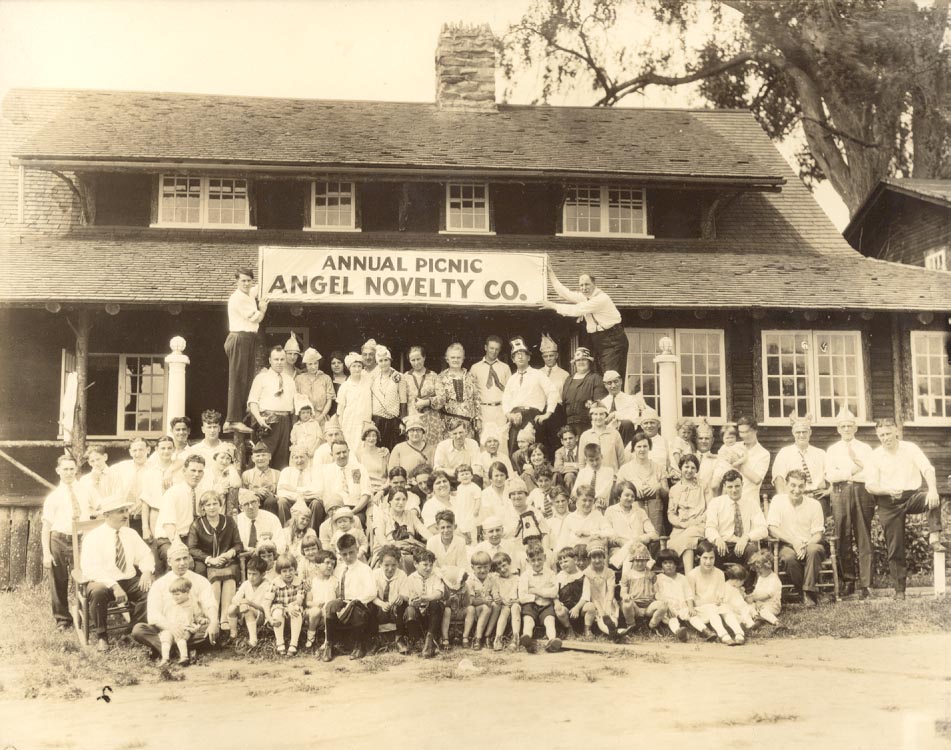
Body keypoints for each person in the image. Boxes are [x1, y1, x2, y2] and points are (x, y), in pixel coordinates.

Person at [865, 417, 944, 600]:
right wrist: (886, 490)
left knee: (932, 498)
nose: (886, 438)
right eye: (881, 435)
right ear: (878, 436)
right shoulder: (875, 456)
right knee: (895, 547)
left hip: (911, 496)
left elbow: (927, 469)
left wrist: (932, 489)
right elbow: (870, 485)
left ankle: (934, 536)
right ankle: (899, 590)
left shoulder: (910, 448)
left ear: (896, 431)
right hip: (888, 502)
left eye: (888, 433)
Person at [79, 494, 154, 651]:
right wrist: (114, 586)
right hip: (103, 581)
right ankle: (102, 636)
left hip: (128, 579)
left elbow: (145, 555)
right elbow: (91, 568)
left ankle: (131, 632)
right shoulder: (93, 537)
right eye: (120, 511)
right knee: (98, 592)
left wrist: (147, 571)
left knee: (151, 590)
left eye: (126, 510)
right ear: (107, 515)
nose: (125, 515)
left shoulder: (130, 534)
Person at [131, 540, 220, 657]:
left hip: (190, 629)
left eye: (185, 558)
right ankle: (182, 649)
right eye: (178, 560)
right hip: (166, 628)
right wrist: (171, 627)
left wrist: (214, 622)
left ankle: (167, 649)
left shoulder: (200, 580)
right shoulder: (159, 584)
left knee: (213, 628)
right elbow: (153, 615)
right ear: (169, 562)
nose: (182, 563)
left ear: (189, 558)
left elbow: (210, 604)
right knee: (138, 630)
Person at [824, 405, 876, 598]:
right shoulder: (832, 450)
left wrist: (847, 473)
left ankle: (866, 584)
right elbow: (830, 475)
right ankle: (848, 581)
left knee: (864, 536)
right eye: (843, 426)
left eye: (849, 425)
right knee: (843, 536)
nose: (846, 429)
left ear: (855, 427)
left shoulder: (865, 448)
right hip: (840, 492)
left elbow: (869, 472)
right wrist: (851, 471)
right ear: (838, 429)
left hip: (862, 492)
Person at [543, 269, 628, 376]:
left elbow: (576, 310)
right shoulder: (586, 298)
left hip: (612, 341)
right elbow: (565, 293)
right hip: (599, 339)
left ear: (594, 284)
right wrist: (551, 274)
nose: (584, 288)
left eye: (587, 284)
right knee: (599, 376)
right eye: (581, 285)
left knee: (611, 376)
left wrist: (552, 305)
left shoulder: (601, 299)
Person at [766, 470, 826, 606]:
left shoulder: (814, 505)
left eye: (801, 486)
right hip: (787, 544)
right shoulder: (778, 501)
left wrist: (804, 545)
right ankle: (808, 593)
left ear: (805, 487)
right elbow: (772, 528)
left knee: (814, 550)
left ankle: (807, 593)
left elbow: (818, 533)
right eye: (793, 485)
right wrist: (794, 542)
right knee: (788, 558)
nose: (797, 490)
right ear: (786, 485)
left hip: (809, 543)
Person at [187, 491, 243, 633]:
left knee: (230, 577)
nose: (212, 507)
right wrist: (210, 559)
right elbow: (192, 548)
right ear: (203, 507)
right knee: (215, 580)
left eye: (215, 503)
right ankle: (214, 619)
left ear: (220, 505)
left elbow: (238, 544)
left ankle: (225, 618)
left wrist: (230, 553)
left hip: (227, 561)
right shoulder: (197, 525)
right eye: (208, 505)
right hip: (207, 562)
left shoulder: (229, 522)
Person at [224, 266, 267, 434]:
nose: (246, 284)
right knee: (238, 379)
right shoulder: (238, 298)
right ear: (237, 281)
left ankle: (237, 417)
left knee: (246, 378)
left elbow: (260, 288)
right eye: (243, 281)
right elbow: (256, 318)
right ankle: (232, 420)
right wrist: (262, 309)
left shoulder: (248, 293)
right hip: (240, 338)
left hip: (247, 339)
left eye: (249, 280)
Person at [321, 532, 376, 661]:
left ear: (357, 549)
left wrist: (353, 603)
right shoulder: (339, 569)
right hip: (343, 601)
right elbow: (333, 585)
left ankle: (359, 645)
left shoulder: (364, 569)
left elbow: (372, 592)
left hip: (360, 604)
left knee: (355, 609)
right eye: (344, 554)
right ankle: (329, 644)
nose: (348, 557)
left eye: (351, 552)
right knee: (330, 606)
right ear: (339, 554)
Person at [502, 336, 558, 456]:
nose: (520, 357)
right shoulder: (512, 379)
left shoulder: (538, 374)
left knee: (534, 452)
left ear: (529, 357)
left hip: (533, 417)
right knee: (515, 452)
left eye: (523, 354)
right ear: (513, 360)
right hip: (515, 419)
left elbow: (553, 392)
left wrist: (547, 413)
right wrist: (509, 415)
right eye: (516, 355)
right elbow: (505, 400)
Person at [247, 346, 297, 470]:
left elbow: (294, 404)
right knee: (262, 456)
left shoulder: (290, 380)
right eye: (276, 359)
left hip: (285, 422)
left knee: (282, 459)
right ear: (270, 360)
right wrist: (259, 419)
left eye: (282, 359)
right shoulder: (261, 378)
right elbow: (253, 402)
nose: (279, 362)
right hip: (267, 421)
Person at [154, 455, 206, 573]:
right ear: (184, 471)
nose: (196, 474)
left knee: (201, 568)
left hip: (191, 540)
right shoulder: (173, 493)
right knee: (178, 562)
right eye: (193, 470)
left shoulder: (202, 492)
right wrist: (179, 548)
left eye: (200, 471)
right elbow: (169, 526)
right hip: (169, 539)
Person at [704, 470, 767, 565]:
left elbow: (763, 529)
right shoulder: (716, 503)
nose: (734, 490)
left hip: (743, 544)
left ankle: (747, 576)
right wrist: (717, 538)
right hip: (723, 543)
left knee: (752, 551)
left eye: (737, 486)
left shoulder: (751, 503)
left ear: (742, 485)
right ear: (724, 487)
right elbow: (710, 527)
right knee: (712, 551)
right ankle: (718, 575)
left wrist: (746, 537)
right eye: (730, 487)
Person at [771, 416, 829, 512]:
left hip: (817, 498)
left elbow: (831, 474)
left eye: (804, 432)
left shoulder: (820, 453)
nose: (801, 435)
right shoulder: (784, 453)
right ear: (793, 433)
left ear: (810, 433)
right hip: (794, 497)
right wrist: (783, 500)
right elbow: (778, 478)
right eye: (798, 432)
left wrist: (828, 490)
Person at [111, 437, 163, 540]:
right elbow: (104, 471)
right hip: (125, 518)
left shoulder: (155, 469)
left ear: (148, 450)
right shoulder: (121, 467)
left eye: (141, 450)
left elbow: (153, 495)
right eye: (134, 450)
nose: (137, 453)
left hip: (146, 519)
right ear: (130, 452)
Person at [617, 430, 669, 534]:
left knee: (654, 537)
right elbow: (617, 491)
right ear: (633, 448)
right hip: (632, 512)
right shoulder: (625, 469)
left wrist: (658, 487)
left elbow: (667, 494)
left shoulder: (659, 468)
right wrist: (632, 489)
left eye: (645, 446)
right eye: (638, 446)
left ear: (649, 447)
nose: (642, 449)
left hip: (655, 512)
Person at [667, 454, 710, 572]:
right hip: (680, 527)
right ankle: (689, 576)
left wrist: (697, 520)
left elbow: (710, 509)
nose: (689, 470)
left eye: (693, 467)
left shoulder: (703, 485)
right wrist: (681, 523)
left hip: (699, 525)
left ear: (696, 470)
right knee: (682, 542)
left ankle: (689, 575)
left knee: (686, 540)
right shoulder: (674, 489)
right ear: (681, 468)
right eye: (686, 467)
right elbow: (671, 514)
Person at [687, 540, 735, 645]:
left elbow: (721, 594)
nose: (708, 562)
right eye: (705, 558)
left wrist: (719, 600)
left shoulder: (720, 573)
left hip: (715, 605)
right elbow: (690, 595)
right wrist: (692, 607)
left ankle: (739, 633)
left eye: (711, 558)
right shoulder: (692, 574)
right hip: (700, 607)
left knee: (727, 611)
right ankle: (724, 635)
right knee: (712, 612)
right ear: (698, 558)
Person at [517, 543, 561, 653]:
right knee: (528, 620)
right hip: (530, 604)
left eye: (539, 559)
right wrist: (537, 596)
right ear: (528, 561)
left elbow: (554, 592)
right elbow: (522, 597)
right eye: (533, 560)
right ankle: (527, 638)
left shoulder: (551, 574)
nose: (536, 563)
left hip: (546, 604)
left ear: (544, 558)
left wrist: (536, 591)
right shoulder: (525, 576)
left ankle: (552, 640)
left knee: (549, 620)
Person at [605, 480, 658, 569]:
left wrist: (639, 539)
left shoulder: (640, 512)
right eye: (627, 495)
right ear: (619, 496)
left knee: (631, 556)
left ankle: (625, 578)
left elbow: (653, 534)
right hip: (618, 550)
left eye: (632, 496)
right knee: (630, 557)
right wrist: (620, 541)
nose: (630, 498)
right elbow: (608, 533)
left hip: (639, 549)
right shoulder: (610, 511)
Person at [315, 440, 372, 523]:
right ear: (332, 455)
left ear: (348, 451)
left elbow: (366, 494)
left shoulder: (359, 468)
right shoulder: (326, 471)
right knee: (328, 525)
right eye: (338, 453)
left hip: (356, 509)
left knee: (355, 522)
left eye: (344, 452)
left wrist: (352, 512)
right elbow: (324, 496)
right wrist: (336, 513)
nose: (342, 455)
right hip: (335, 510)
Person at [434, 342, 482, 440]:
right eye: (453, 357)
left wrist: (478, 419)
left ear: (463, 359)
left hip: (467, 425)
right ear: (447, 359)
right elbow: (439, 401)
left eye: (458, 357)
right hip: (448, 425)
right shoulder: (441, 377)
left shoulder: (470, 376)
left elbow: (476, 399)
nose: (455, 360)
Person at [469, 335, 511, 441]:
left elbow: (510, 392)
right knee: (485, 442)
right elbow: (472, 394)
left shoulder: (505, 368)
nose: (494, 351)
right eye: (491, 348)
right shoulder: (475, 368)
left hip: (501, 411)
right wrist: (477, 417)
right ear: (485, 347)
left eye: (497, 349)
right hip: (484, 411)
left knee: (502, 442)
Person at [652, 548, 700, 641]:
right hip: (668, 608)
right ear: (661, 565)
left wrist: (691, 607)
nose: (668, 565)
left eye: (671, 562)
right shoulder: (658, 579)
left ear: (676, 564)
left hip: (682, 607)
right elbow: (657, 596)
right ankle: (679, 632)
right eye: (665, 563)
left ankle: (705, 631)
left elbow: (688, 595)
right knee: (671, 619)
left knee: (692, 616)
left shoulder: (682, 578)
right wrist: (666, 607)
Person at [227, 553, 274, 647]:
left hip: (261, 615)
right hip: (245, 611)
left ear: (263, 574)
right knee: (231, 608)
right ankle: (233, 634)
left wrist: (249, 603)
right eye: (249, 573)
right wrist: (241, 602)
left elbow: (265, 607)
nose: (251, 577)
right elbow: (235, 599)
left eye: (254, 574)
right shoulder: (246, 584)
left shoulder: (268, 585)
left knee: (247, 609)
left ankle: (253, 640)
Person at [158, 577, 208, 665]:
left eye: (177, 594)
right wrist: (168, 625)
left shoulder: (192, 604)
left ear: (187, 593)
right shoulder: (170, 604)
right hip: (172, 628)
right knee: (165, 638)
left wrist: (201, 620)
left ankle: (184, 657)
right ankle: (165, 658)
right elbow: (164, 617)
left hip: (185, 628)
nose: (175, 597)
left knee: (180, 637)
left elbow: (197, 616)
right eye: (173, 595)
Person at [370, 545, 409, 653]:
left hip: (394, 608)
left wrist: (401, 596)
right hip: (379, 605)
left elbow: (406, 595)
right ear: (380, 563)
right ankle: (375, 639)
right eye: (386, 565)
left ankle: (399, 638)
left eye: (394, 565)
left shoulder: (402, 575)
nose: (390, 568)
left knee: (402, 603)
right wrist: (381, 603)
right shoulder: (375, 574)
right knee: (369, 605)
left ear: (398, 563)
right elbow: (371, 595)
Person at [562, 347, 607, 438]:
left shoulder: (596, 378)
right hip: (569, 424)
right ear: (575, 363)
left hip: (587, 424)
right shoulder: (569, 379)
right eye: (578, 360)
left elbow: (599, 404)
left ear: (589, 362)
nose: (581, 362)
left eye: (584, 360)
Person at [402, 345, 444, 443]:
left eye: (418, 359)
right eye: (413, 360)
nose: (416, 362)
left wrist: (427, 402)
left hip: (431, 421)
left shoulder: (433, 376)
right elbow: (402, 401)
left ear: (424, 358)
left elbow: (442, 399)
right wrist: (403, 421)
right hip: (413, 422)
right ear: (409, 360)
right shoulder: (405, 377)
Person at [269, 554, 306, 656]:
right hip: (279, 608)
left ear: (295, 569)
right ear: (279, 572)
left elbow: (299, 600)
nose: (288, 574)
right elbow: (268, 602)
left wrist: (290, 606)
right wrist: (270, 618)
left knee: (296, 611)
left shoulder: (299, 582)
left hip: (293, 607)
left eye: (291, 570)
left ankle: (294, 643)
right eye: (284, 571)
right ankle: (280, 642)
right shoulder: (275, 583)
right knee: (277, 613)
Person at [336, 352, 373, 455]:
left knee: (363, 450)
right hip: (349, 424)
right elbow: (340, 410)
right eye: (354, 366)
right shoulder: (345, 386)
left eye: (359, 366)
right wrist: (341, 428)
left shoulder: (368, 383)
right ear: (349, 368)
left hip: (364, 423)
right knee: (350, 449)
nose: (357, 369)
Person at [369, 345, 404, 451]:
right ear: (377, 362)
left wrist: (402, 421)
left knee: (393, 450)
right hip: (377, 420)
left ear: (390, 360)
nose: (383, 363)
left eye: (386, 360)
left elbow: (403, 401)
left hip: (393, 420)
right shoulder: (373, 377)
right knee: (378, 450)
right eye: (381, 361)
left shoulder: (398, 376)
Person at [583, 538, 620, 638]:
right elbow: (593, 595)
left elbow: (611, 589)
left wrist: (608, 604)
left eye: (600, 557)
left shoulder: (609, 572)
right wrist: (601, 610)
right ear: (589, 559)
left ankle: (613, 631)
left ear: (604, 557)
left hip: (607, 598)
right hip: (594, 601)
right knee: (600, 616)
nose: (597, 560)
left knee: (612, 614)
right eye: (594, 557)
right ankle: (613, 633)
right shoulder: (587, 573)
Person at [276, 445, 320, 528]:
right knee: (282, 502)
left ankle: (312, 531)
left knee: (316, 503)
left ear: (308, 458)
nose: (299, 460)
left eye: (302, 457)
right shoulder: (286, 471)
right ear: (292, 459)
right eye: (296, 457)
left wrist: (294, 489)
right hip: (291, 501)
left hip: (309, 501)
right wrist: (298, 496)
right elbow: (281, 492)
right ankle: (287, 530)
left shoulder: (315, 471)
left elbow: (317, 490)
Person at [733, 417, 771, 511]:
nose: (743, 435)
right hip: (730, 500)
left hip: (750, 502)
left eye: (747, 432)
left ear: (755, 430)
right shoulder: (734, 447)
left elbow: (756, 479)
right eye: (741, 432)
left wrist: (736, 463)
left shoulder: (763, 454)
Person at [619, 543, 658, 631]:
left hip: (649, 605)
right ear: (632, 561)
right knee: (626, 604)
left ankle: (652, 625)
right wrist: (625, 595)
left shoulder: (651, 574)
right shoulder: (627, 575)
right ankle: (631, 625)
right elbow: (623, 591)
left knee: (662, 605)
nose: (640, 563)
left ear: (646, 561)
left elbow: (656, 590)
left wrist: (658, 596)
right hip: (634, 604)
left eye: (643, 561)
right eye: (637, 561)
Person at [464, 551, 499, 650]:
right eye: (479, 567)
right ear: (472, 567)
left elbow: (495, 592)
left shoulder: (491, 579)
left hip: (487, 606)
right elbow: (471, 601)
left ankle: (488, 635)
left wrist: (496, 597)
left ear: (490, 566)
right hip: (475, 610)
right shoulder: (470, 581)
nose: (483, 570)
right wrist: (484, 600)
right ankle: (477, 637)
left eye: (486, 567)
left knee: (496, 605)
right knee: (486, 608)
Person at [601, 370, 645, 448]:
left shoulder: (630, 399)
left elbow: (634, 417)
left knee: (626, 423)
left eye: (616, 382)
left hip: (627, 437)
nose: (613, 386)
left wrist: (615, 414)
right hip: (608, 437)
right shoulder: (603, 402)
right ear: (605, 385)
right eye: (609, 383)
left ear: (621, 381)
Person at [235, 489, 287, 555]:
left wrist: (266, 548)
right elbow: (232, 546)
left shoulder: (272, 518)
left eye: (253, 502)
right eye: (246, 504)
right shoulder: (236, 521)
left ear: (258, 502)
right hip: (242, 557)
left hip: (266, 556)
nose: (251, 507)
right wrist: (247, 549)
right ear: (241, 508)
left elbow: (281, 544)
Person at [553, 545, 592, 635]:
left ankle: (587, 629)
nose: (563, 564)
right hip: (566, 610)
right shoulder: (559, 577)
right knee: (559, 610)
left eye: (566, 561)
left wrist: (577, 608)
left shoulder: (583, 577)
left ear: (574, 560)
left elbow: (585, 596)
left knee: (590, 606)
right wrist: (556, 602)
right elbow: (554, 593)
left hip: (579, 609)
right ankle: (568, 629)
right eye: (561, 563)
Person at [433, 418, 484, 484]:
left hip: (469, 479)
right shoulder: (442, 446)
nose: (458, 436)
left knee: (477, 479)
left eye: (461, 432)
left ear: (466, 432)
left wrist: (464, 476)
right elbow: (437, 469)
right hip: (450, 480)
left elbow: (477, 467)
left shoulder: (473, 444)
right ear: (450, 435)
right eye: (455, 433)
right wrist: (457, 473)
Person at [578, 400, 624, 471]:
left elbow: (622, 460)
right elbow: (581, 463)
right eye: (595, 414)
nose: (598, 417)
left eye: (601, 414)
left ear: (606, 416)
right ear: (591, 416)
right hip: (591, 476)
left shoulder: (615, 434)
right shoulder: (585, 435)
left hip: (611, 475)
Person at [295, 347, 334, 427]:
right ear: (305, 365)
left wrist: (321, 417)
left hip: (322, 419)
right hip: (304, 419)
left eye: (315, 363)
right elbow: (296, 400)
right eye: (310, 364)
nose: (313, 367)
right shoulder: (299, 379)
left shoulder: (326, 378)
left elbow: (329, 400)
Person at [492, 551, 521, 651]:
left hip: (515, 603)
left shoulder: (517, 578)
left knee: (515, 608)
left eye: (504, 565)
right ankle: (498, 638)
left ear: (509, 563)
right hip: (504, 605)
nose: (502, 569)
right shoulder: (496, 580)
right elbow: (495, 592)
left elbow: (522, 593)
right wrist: (499, 599)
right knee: (505, 611)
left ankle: (515, 637)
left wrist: (517, 600)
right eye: (499, 568)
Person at [572, 444, 616, 511]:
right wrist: (585, 497)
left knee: (599, 505)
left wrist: (589, 497)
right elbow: (575, 490)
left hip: (600, 501)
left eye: (597, 459)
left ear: (601, 456)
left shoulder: (609, 471)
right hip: (585, 501)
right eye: (591, 460)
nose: (595, 463)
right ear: (586, 460)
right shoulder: (583, 472)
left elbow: (604, 491)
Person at [746, 550, 783, 626]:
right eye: (756, 569)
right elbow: (756, 591)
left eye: (759, 568)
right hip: (760, 602)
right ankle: (757, 618)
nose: (757, 571)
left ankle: (776, 622)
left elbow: (767, 595)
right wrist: (750, 596)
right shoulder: (761, 577)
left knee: (764, 611)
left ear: (768, 566)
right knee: (749, 606)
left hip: (772, 605)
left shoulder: (773, 579)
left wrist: (754, 598)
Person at [242, 441, 281, 511]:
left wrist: (273, 496)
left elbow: (282, 493)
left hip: (272, 507)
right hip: (253, 507)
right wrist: (255, 492)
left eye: (263, 455)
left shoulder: (278, 474)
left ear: (270, 457)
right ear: (253, 458)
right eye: (257, 456)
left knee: (271, 501)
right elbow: (242, 494)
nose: (261, 458)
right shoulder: (247, 474)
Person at [78, 444, 115, 511]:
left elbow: (117, 498)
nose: (96, 463)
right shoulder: (84, 480)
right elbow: (85, 501)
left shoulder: (115, 474)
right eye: (92, 461)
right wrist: (94, 481)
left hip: (113, 512)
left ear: (105, 457)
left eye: (98, 459)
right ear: (89, 462)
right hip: (94, 514)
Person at [451, 465, 482, 544]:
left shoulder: (474, 487)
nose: (465, 476)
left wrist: (477, 508)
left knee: (472, 526)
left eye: (467, 474)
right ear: (458, 478)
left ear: (471, 476)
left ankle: (474, 542)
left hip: (471, 509)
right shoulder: (459, 487)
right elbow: (459, 495)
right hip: (462, 510)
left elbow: (478, 498)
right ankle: (465, 540)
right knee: (462, 525)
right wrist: (454, 493)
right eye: (462, 474)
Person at [357, 422, 390, 493]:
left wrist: (383, 488)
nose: (371, 439)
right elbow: (356, 477)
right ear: (364, 437)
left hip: (382, 489)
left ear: (377, 437)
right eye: (368, 436)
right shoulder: (358, 454)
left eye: (374, 436)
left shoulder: (384, 452)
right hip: (365, 490)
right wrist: (366, 490)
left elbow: (390, 475)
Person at [289, 397, 323, 461]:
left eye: (308, 412)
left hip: (312, 451)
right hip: (300, 453)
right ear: (299, 414)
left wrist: (313, 450)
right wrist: (297, 450)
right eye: (303, 413)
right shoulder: (296, 426)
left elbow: (319, 438)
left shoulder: (315, 423)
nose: (306, 415)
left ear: (311, 413)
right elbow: (294, 441)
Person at [553, 426, 580, 490]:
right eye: (565, 439)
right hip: (566, 481)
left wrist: (566, 465)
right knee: (569, 475)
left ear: (576, 438)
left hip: (582, 477)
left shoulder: (581, 450)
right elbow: (559, 468)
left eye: (570, 438)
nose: (568, 441)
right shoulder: (559, 452)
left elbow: (585, 467)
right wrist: (576, 466)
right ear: (562, 441)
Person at [327, 351, 348, 416]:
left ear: (344, 364)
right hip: (330, 415)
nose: (336, 365)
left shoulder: (349, 380)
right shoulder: (327, 380)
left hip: (346, 415)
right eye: (333, 363)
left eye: (339, 362)